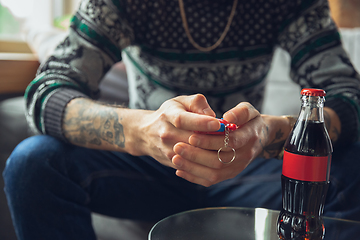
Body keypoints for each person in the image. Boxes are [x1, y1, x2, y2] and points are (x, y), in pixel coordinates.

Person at [3, 0, 360, 239]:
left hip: (246, 169)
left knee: (351, 166)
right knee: (33, 162)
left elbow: (347, 97)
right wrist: (144, 132)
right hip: (144, 168)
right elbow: (47, 91)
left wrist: (267, 133)